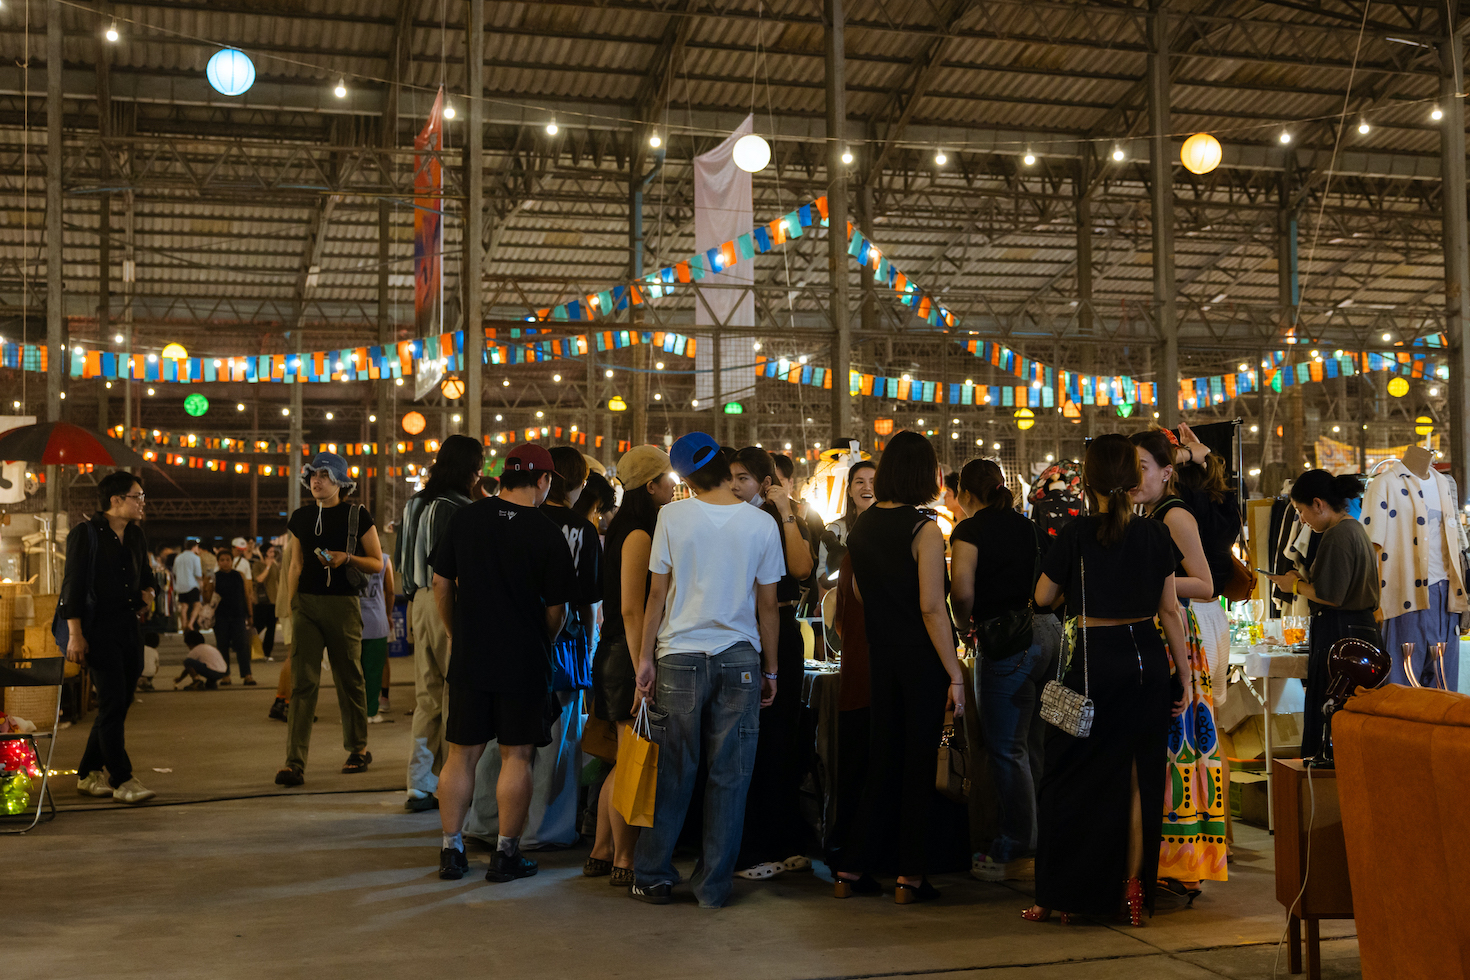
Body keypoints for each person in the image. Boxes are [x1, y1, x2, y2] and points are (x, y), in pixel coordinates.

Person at [1027, 433, 1191, 926]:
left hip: (1091, 664)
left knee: (1068, 777)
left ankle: (1061, 893)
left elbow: (1042, 598)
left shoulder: (1076, 534)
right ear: (1134, 478)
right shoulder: (1155, 534)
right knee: (1139, 779)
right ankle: (1134, 890)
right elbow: (1170, 611)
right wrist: (1184, 676)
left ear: (1088, 480)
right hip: (1145, 664)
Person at [631, 432, 784, 908]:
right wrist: (771, 669)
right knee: (731, 775)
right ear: (721, 464)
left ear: (686, 478)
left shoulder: (672, 516)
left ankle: (652, 875)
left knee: (674, 771)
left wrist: (645, 659)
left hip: (678, 656)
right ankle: (713, 886)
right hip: (739, 657)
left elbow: (657, 595)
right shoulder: (761, 523)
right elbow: (768, 606)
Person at [431, 443, 575, 883]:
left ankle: (451, 850)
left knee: (461, 754)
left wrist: (456, 632)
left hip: (471, 655)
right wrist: (542, 639)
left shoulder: (466, 518)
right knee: (517, 755)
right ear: (543, 480)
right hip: (524, 658)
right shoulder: (547, 532)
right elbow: (558, 609)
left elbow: (441, 583)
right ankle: (505, 855)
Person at [839, 431, 967, 904]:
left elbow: (858, 594)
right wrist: (955, 672)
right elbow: (933, 607)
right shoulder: (924, 529)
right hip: (919, 658)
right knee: (918, 765)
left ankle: (850, 868)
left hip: (881, 654)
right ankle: (909, 877)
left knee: (882, 762)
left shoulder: (862, 527)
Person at [465, 446, 600, 850]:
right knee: (556, 745)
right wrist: (585, 647)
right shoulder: (580, 530)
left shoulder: (504, 518)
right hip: (562, 646)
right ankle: (544, 830)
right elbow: (585, 602)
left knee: (498, 742)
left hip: (500, 643)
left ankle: (485, 822)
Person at [948, 457, 1061, 884]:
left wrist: (963, 625)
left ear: (965, 494)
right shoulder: (1031, 529)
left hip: (1006, 641)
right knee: (1035, 745)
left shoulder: (969, 530)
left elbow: (962, 590)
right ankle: (1042, 839)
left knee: (1006, 749)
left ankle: (1016, 846)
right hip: (1048, 635)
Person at [1129, 429, 1228, 898]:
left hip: (1177, 643)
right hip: (1158, 636)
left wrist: (1150, 580)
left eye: (1142, 468)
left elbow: (1205, 584)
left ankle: (1183, 866)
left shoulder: (1174, 514)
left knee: (1179, 751)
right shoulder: (1148, 514)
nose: (1134, 478)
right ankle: (1163, 862)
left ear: (1167, 472)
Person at [585, 446, 675, 888]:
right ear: (651, 486)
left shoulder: (625, 527)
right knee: (631, 762)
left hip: (617, 651)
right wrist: (644, 667)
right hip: (626, 653)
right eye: (668, 478)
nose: (675, 486)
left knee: (622, 760)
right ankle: (624, 857)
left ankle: (602, 850)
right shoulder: (639, 534)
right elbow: (630, 608)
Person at [729, 446, 814, 881]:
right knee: (752, 744)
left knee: (781, 741)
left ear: (765, 483)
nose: (733, 485)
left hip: (781, 631)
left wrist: (785, 512)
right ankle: (754, 846)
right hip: (747, 634)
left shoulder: (784, 518)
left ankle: (781, 840)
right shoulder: (729, 518)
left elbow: (802, 570)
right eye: (731, 477)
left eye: (742, 478)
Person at [275, 452, 383, 787]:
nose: (316, 481)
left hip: (343, 604)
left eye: (323, 475)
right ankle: (294, 763)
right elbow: (295, 564)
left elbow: (377, 563)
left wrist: (346, 558)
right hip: (306, 604)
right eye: (312, 476)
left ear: (340, 481)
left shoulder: (357, 515)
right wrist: (292, 606)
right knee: (303, 683)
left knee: (349, 677)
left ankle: (358, 748)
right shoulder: (301, 517)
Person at [395, 434, 483, 812]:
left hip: (417, 601)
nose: (479, 474)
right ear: (468, 469)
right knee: (456, 696)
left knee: (427, 696)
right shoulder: (461, 508)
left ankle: (419, 783)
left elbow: (401, 559)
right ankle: (450, 782)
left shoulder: (413, 504)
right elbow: (455, 571)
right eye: (477, 467)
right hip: (450, 602)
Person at [1266, 470, 1379, 760]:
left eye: (1300, 511)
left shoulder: (1337, 534)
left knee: (1330, 711)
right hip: (1356, 629)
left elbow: (1331, 595)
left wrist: (1294, 585)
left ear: (1318, 504)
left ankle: (1325, 778)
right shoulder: (1353, 529)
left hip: (1339, 631)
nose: (1302, 519)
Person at [63, 470, 157, 804]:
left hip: (129, 627)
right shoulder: (85, 534)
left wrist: (148, 593)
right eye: (137, 497)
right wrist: (75, 635)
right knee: (113, 701)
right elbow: (72, 586)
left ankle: (89, 773)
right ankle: (122, 778)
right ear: (116, 500)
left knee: (118, 703)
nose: (142, 503)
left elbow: (147, 575)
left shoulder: (135, 535)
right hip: (97, 629)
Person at [817, 460, 876, 585]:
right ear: (849, 491)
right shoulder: (835, 529)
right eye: (860, 482)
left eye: (873, 482)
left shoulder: (892, 527)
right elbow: (823, 577)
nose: (867, 487)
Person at [212, 549, 255, 686]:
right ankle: (226, 675)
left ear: (232, 561)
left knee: (242, 645)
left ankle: (247, 675)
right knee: (222, 645)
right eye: (222, 560)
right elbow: (208, 597)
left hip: (238, 615)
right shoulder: (214, 577)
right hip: (220, 616)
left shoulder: (239, 575)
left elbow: (246, 595)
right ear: (218, 562)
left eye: (228, 560)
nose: (225, 562)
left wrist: (250, 614)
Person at [361, 555, 396, 724]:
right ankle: (372, 712)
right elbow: (390, 591)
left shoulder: (348, 557)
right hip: (376, 620)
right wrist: (388, 614)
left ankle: (354, 712)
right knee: (374, 671)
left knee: (353, 672)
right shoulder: (385, 560)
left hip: (352, 621)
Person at [253, 543, 281, 661]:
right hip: (261, 601)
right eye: (270, 552)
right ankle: (252, 649)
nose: (272, 554)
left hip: (273, 601)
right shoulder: (257, 565)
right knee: (258, 626)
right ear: (264, 553)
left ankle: (267, 653)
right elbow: (259, 579)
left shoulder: (275, 565)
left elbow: (279, 581)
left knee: (271, 628)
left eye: (273, 552)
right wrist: (268, 567)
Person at [174, 538, 203, 632]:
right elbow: (198, 574)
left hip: (180, 586)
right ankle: (190, 624)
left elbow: (174, 572)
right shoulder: (195, 558)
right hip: (192, 585)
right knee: (197, 605)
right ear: (194, 547)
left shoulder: (178, 557)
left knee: (184, 606)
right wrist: (201, 584)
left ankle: (183, 624)